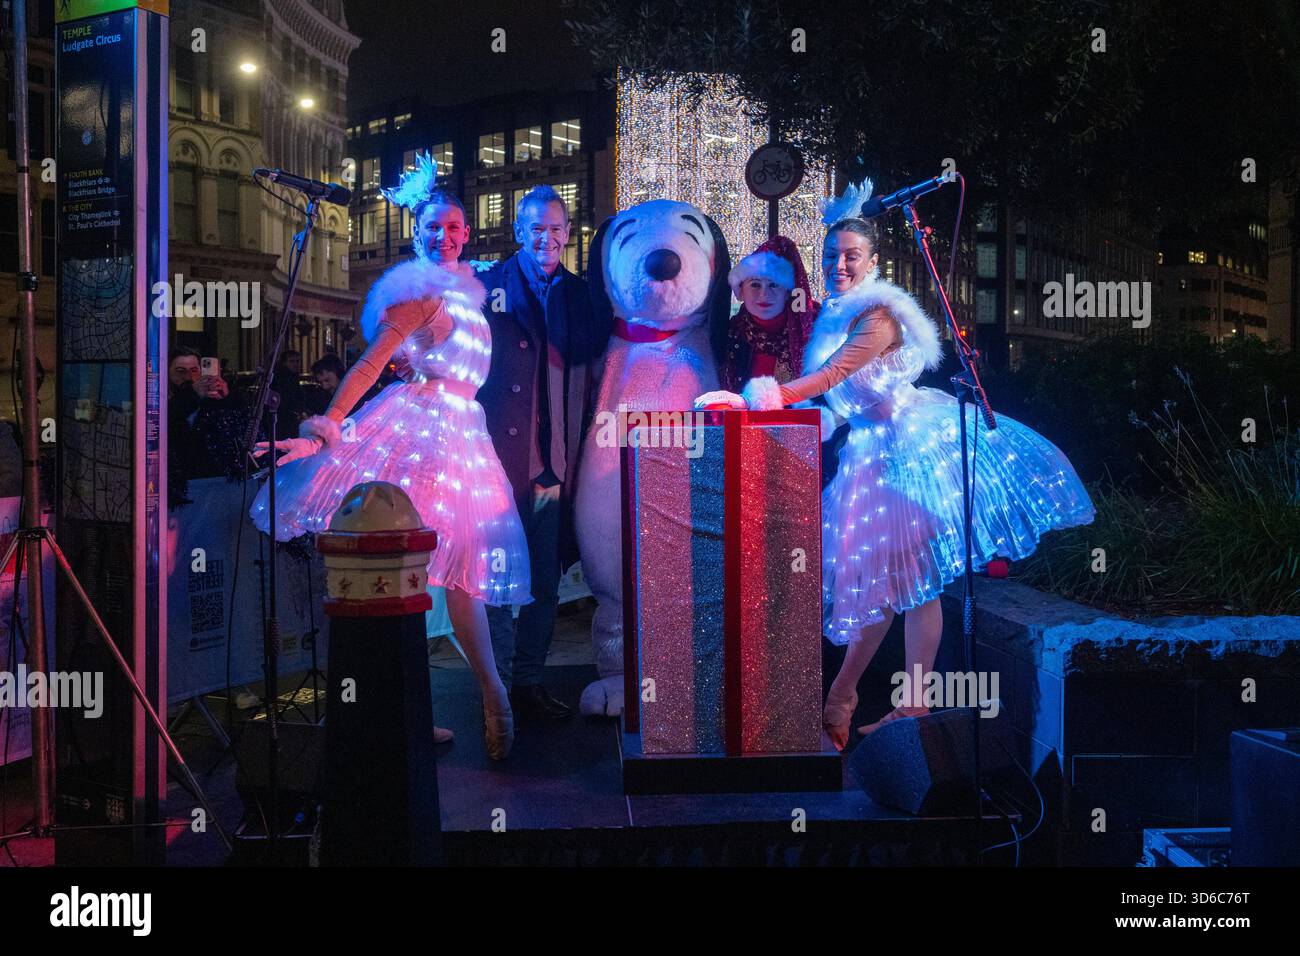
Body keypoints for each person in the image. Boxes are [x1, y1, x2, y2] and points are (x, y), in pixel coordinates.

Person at [697, 180, 1096, 750]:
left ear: (873, 262)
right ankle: (869, 700)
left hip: (906, 450)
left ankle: (873, 702)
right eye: (831, 255)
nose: (838, 264)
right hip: (866, 454)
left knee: (906, 587)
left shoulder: (878, 313)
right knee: (892, 590)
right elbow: (836, 404)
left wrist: (765, 395)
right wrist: (775, 420)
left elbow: (833, 377)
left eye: (850, 256)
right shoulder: (833, 316)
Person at [250, 152, 528, 759]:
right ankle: (431, 710)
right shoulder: (418, 294)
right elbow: (372, 363)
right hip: (421, 433)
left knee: (460, 577)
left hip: (464, 432)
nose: (445, 236)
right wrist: (330, 423)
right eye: (434, 227)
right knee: (413, 577)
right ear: (417, 233)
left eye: (454, 226)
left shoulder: (469, 294)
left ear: (466, 230)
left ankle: (489, 695)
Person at [477, 184, 604, 721]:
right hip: (498, 464)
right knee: (498, 581)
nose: (547, 237)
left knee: (544, 582)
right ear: (518, 232)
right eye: (536, 228)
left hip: (556, 466)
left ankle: (527, 682)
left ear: (568, 233)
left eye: (556, 228)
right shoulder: (485, 289)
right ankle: (498, 688)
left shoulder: (581, 295)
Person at [716, 235, 819, 392]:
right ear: (741, 290)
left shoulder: (815, 331)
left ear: (787, 292)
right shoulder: (728, 335)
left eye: (774, 285)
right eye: (755, 285)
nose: (764, 295)